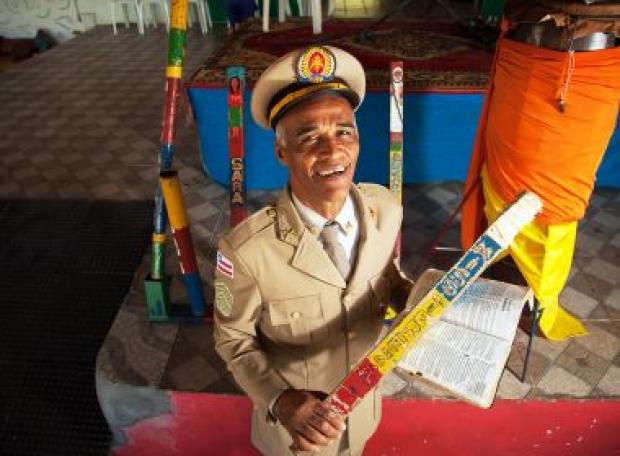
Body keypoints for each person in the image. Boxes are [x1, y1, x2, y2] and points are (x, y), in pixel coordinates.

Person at [213, 45, 412, 455]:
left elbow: (387, 274)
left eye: (344, 132)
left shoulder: (385, 209)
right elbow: (233, 339)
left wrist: (415, 298)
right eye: (309, 137)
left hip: (364, 409)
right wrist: (282, 401)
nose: (333, 151)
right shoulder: (247, 251)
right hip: (295, 433)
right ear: (281, 152)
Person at [461, 0, 620, 341]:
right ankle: (499, 269)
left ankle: (537, 294)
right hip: (524, 52)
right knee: (503, 179)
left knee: (556, 197)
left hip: (590, 69)